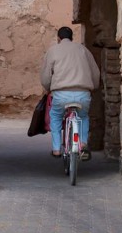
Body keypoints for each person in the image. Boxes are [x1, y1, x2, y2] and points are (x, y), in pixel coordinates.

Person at [40, 26, 99, 161]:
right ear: (72, 37)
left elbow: (45, 76)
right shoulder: (83, 50)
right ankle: (83, 143)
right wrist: (94, 87)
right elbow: (95, 72)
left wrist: (48, 87)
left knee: (55, 116)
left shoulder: (53, 51)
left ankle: (56, 149)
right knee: (83, 116)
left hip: (61, 95)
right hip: (82, 94)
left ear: (58, 38)